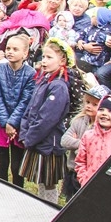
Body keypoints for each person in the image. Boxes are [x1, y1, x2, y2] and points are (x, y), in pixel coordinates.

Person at [19, 39, 75, 203]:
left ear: (62, 60)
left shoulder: (58, 86)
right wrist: (24, 131)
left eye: (49, 57)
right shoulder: (44, 80)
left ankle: (50, 211)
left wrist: (30, 137)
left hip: (49, 144)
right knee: (42, 182)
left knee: (49, 182)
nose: (44, 61)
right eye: (43, 57)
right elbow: (30, 109)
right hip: (37, 140)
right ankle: (41, 208)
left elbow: (47, 119)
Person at [0, 33, 36, 187]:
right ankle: (1, 189)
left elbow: (26, 101)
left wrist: (13, 123)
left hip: (17, 125)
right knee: (2, 161)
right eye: (8, 48)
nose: (10, 51)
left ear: (25, 53)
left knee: (16, 164)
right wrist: (5, 122)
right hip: (0, 122)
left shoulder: (30, 74)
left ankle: (17, 190)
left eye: (15, 49)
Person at [61, 82, 107, 201]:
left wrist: (77, 142)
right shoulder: (79, 120)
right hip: (73, 171)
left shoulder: (103, 127)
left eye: (95, 104)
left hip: (90, 175)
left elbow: (95, 150)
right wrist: (85, 143)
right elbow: (65, 141)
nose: (89, 106)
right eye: (87, 102)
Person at [75, 94, 111, 186]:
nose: (104, 113)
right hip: (89, 187)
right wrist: (84, 179)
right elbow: (80, 161)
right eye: (101, 109)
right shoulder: (88, 136)